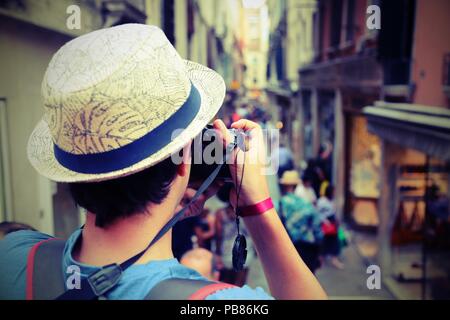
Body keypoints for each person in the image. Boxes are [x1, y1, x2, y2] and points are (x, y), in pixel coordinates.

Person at [0, 24, 326, 300]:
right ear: (184, 159)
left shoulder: (14, 257)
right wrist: (255, 205)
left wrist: (170, 201)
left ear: (71, 171)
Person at [279, 171, 323, 274]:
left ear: (283, 186)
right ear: (295, 185)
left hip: (291, 248)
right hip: (309, 246)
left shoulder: (281, 204)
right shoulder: (306, 203)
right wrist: (320, 250)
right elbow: (317, 228)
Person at [214, 184, 255, 287]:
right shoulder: (246, 212)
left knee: (227, 283)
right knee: (241, 283)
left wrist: (218, 254)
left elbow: (218, 236)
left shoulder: (220, 213)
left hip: (227, 251)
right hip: (245, 250)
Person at [317, 185, 344, 269]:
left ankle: (334, 259)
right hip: (325, 224)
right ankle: (320, 260)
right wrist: (326, 222)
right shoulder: (322, 201)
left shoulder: (332, 201)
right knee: (324, 242)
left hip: (333, 224)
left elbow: (334, 212)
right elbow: (318, 213)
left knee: (334, 242)